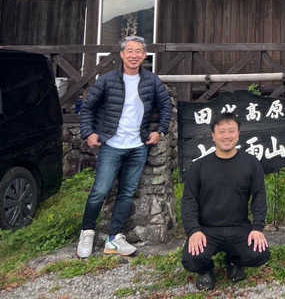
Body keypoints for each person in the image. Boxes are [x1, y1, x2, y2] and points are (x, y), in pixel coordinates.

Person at [77, 35, 173, 258]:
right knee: (100, 190)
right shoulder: (108, 80)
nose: (134, 55)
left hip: (138, 145)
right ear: (121, 54)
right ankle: (87, 232)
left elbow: (166, 105)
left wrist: (160, 131)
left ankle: (114, 238)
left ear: (144, 55)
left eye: (138, 51)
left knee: (127, 193)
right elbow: (87, 107)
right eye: (129, 51)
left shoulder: (151, 80)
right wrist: (88, 133)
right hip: (111, 144)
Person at [181, 113, 270, 291]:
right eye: (222, 131)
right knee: (192, 258)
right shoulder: (199, 167)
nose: (227, 136)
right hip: (207, 229)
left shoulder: (251, 163)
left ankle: (234, 262)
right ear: (213, 136)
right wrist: (194, 230)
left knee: (259, 254)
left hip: (239, 227)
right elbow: (189, 201)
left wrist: (257, 228)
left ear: (238, 134)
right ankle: (206, 271)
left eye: (231, 131)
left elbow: (259, 196)